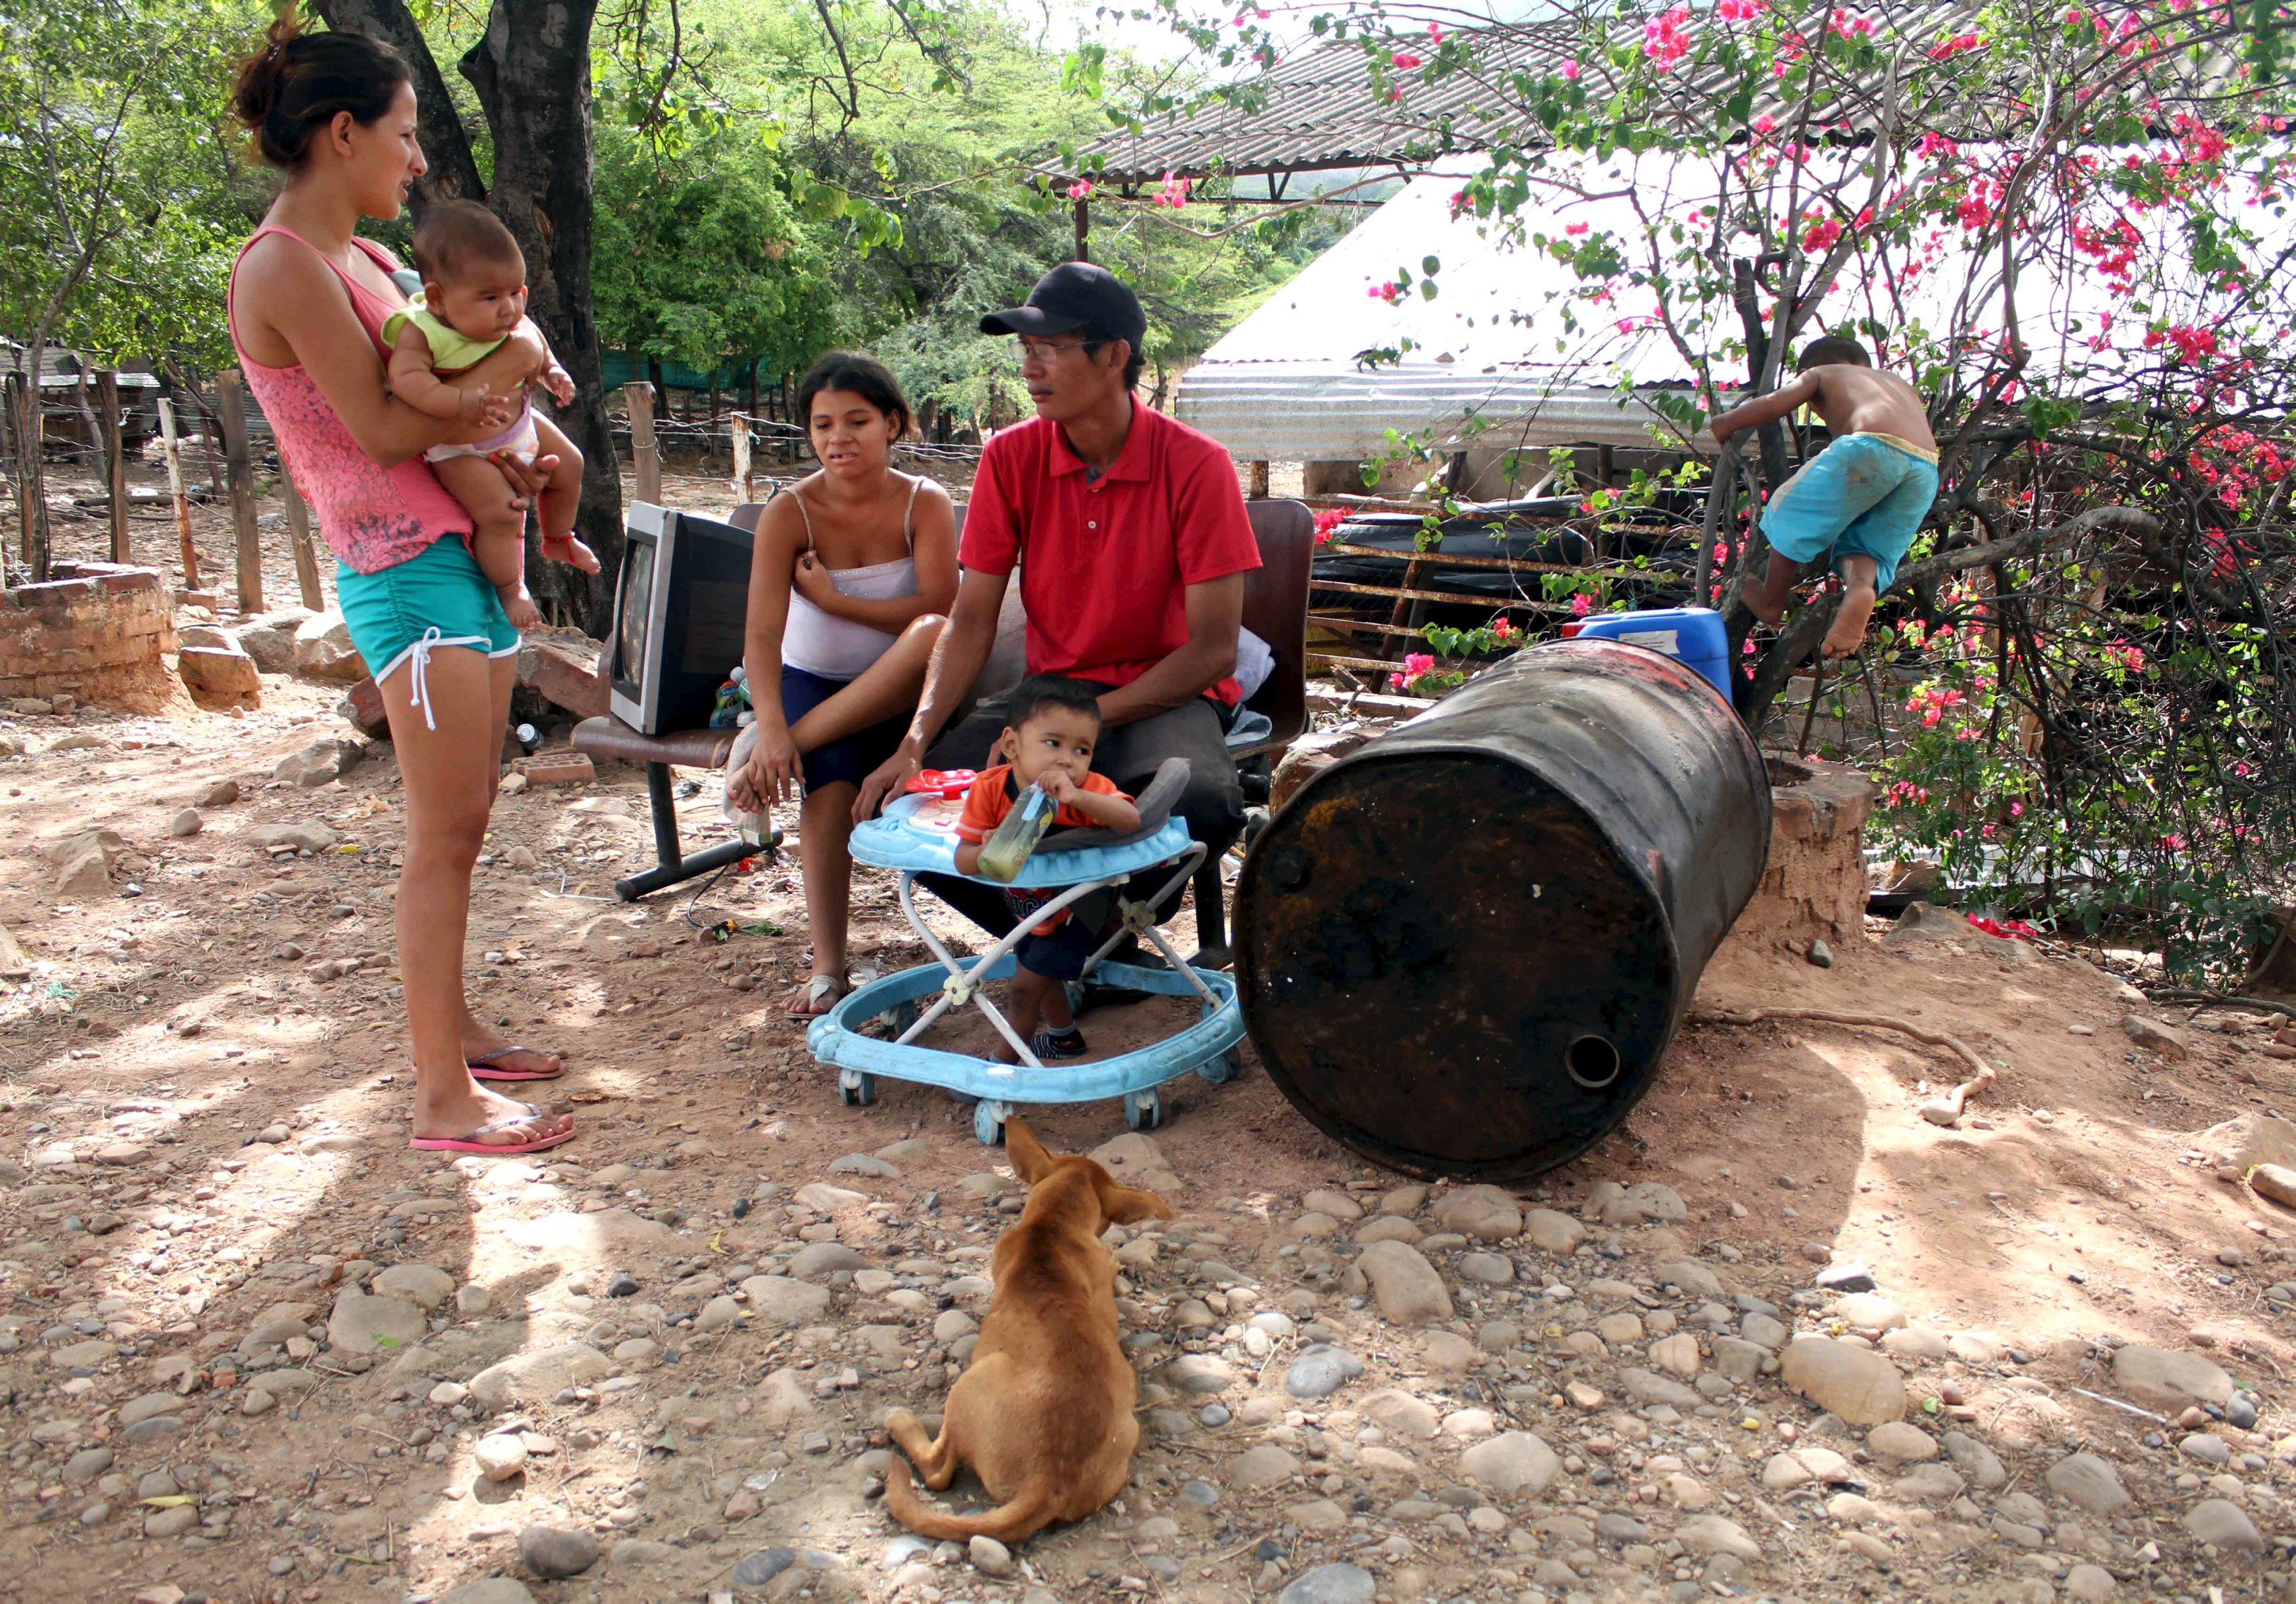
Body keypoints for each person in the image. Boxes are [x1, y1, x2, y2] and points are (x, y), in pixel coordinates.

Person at [227, 18, 586, 1153]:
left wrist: (510, 450)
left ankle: (457, 1032)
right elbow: (384, 429)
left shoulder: (374, 261)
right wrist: (494, 414)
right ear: (344, 133)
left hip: (455, 557)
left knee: (470, 820)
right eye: (406, 132)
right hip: (400, 568)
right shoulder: (284, 265)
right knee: (441, 834)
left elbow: (457, 388)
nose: (418, 158)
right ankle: (442, 1097)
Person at [853, 263, 1259, 951]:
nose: (1032, 368)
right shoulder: (1010, 458)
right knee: (913, 808)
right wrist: (914, 743)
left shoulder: (1196, 464)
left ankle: (1093, 935)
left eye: (1051, 348)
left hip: (1168, 692)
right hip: (1050, 695)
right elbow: (972, 617)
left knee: (1202, 803)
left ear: (1113, 357)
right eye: (1025, 351)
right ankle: (1079, 948)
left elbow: (1212, 650)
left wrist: (1091, 723)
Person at [726, 353, 956, 1016]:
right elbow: (762, 638)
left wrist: (834, 600)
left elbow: (940, 609)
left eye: (857, 421)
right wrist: (771, 725)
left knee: (928, 630)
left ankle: (768, 754)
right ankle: (828, 967)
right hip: (810, 684)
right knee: (826, 787)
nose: (838, 439)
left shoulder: (924, 502)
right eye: (822, 425)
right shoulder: (789, 511)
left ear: (891, 424)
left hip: (905, 689)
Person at [382, 199, 592, 630]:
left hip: (519, 424)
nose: (510, 308)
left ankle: (559, 538)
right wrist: (459, 401)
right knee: (501, 512)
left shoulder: (509, 322)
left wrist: (552, 370)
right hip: (460, 447)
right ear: (439, 299)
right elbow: (406, 379)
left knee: (570, 463)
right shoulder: (422, 330)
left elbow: (533, 337)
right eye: (491, 297)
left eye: (516, 292)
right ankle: (510, 587)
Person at [1711, 335, 1939, 659]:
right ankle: (1861, 588)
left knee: (1787, 508)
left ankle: (1770, 600)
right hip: (1925, 468)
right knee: (1866, 546)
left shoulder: (1821, 373)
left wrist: (1727, 421)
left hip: (1871, 448)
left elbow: (1772, 404)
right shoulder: (1894, 382)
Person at [953, 676, 1141, 1061]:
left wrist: (1080, 797)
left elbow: (1130, 819)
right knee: (1039, 974)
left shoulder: (1086, 788)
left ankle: (1001, 1068)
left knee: (1024, 989)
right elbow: (963, 860)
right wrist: (985, 848)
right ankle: (1064, 1037)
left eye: (1082, 750)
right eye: (1053, 743)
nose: (1066, 759)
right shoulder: (989, 789)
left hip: (1079, 905)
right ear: (1012, 745)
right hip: (1027, 905)